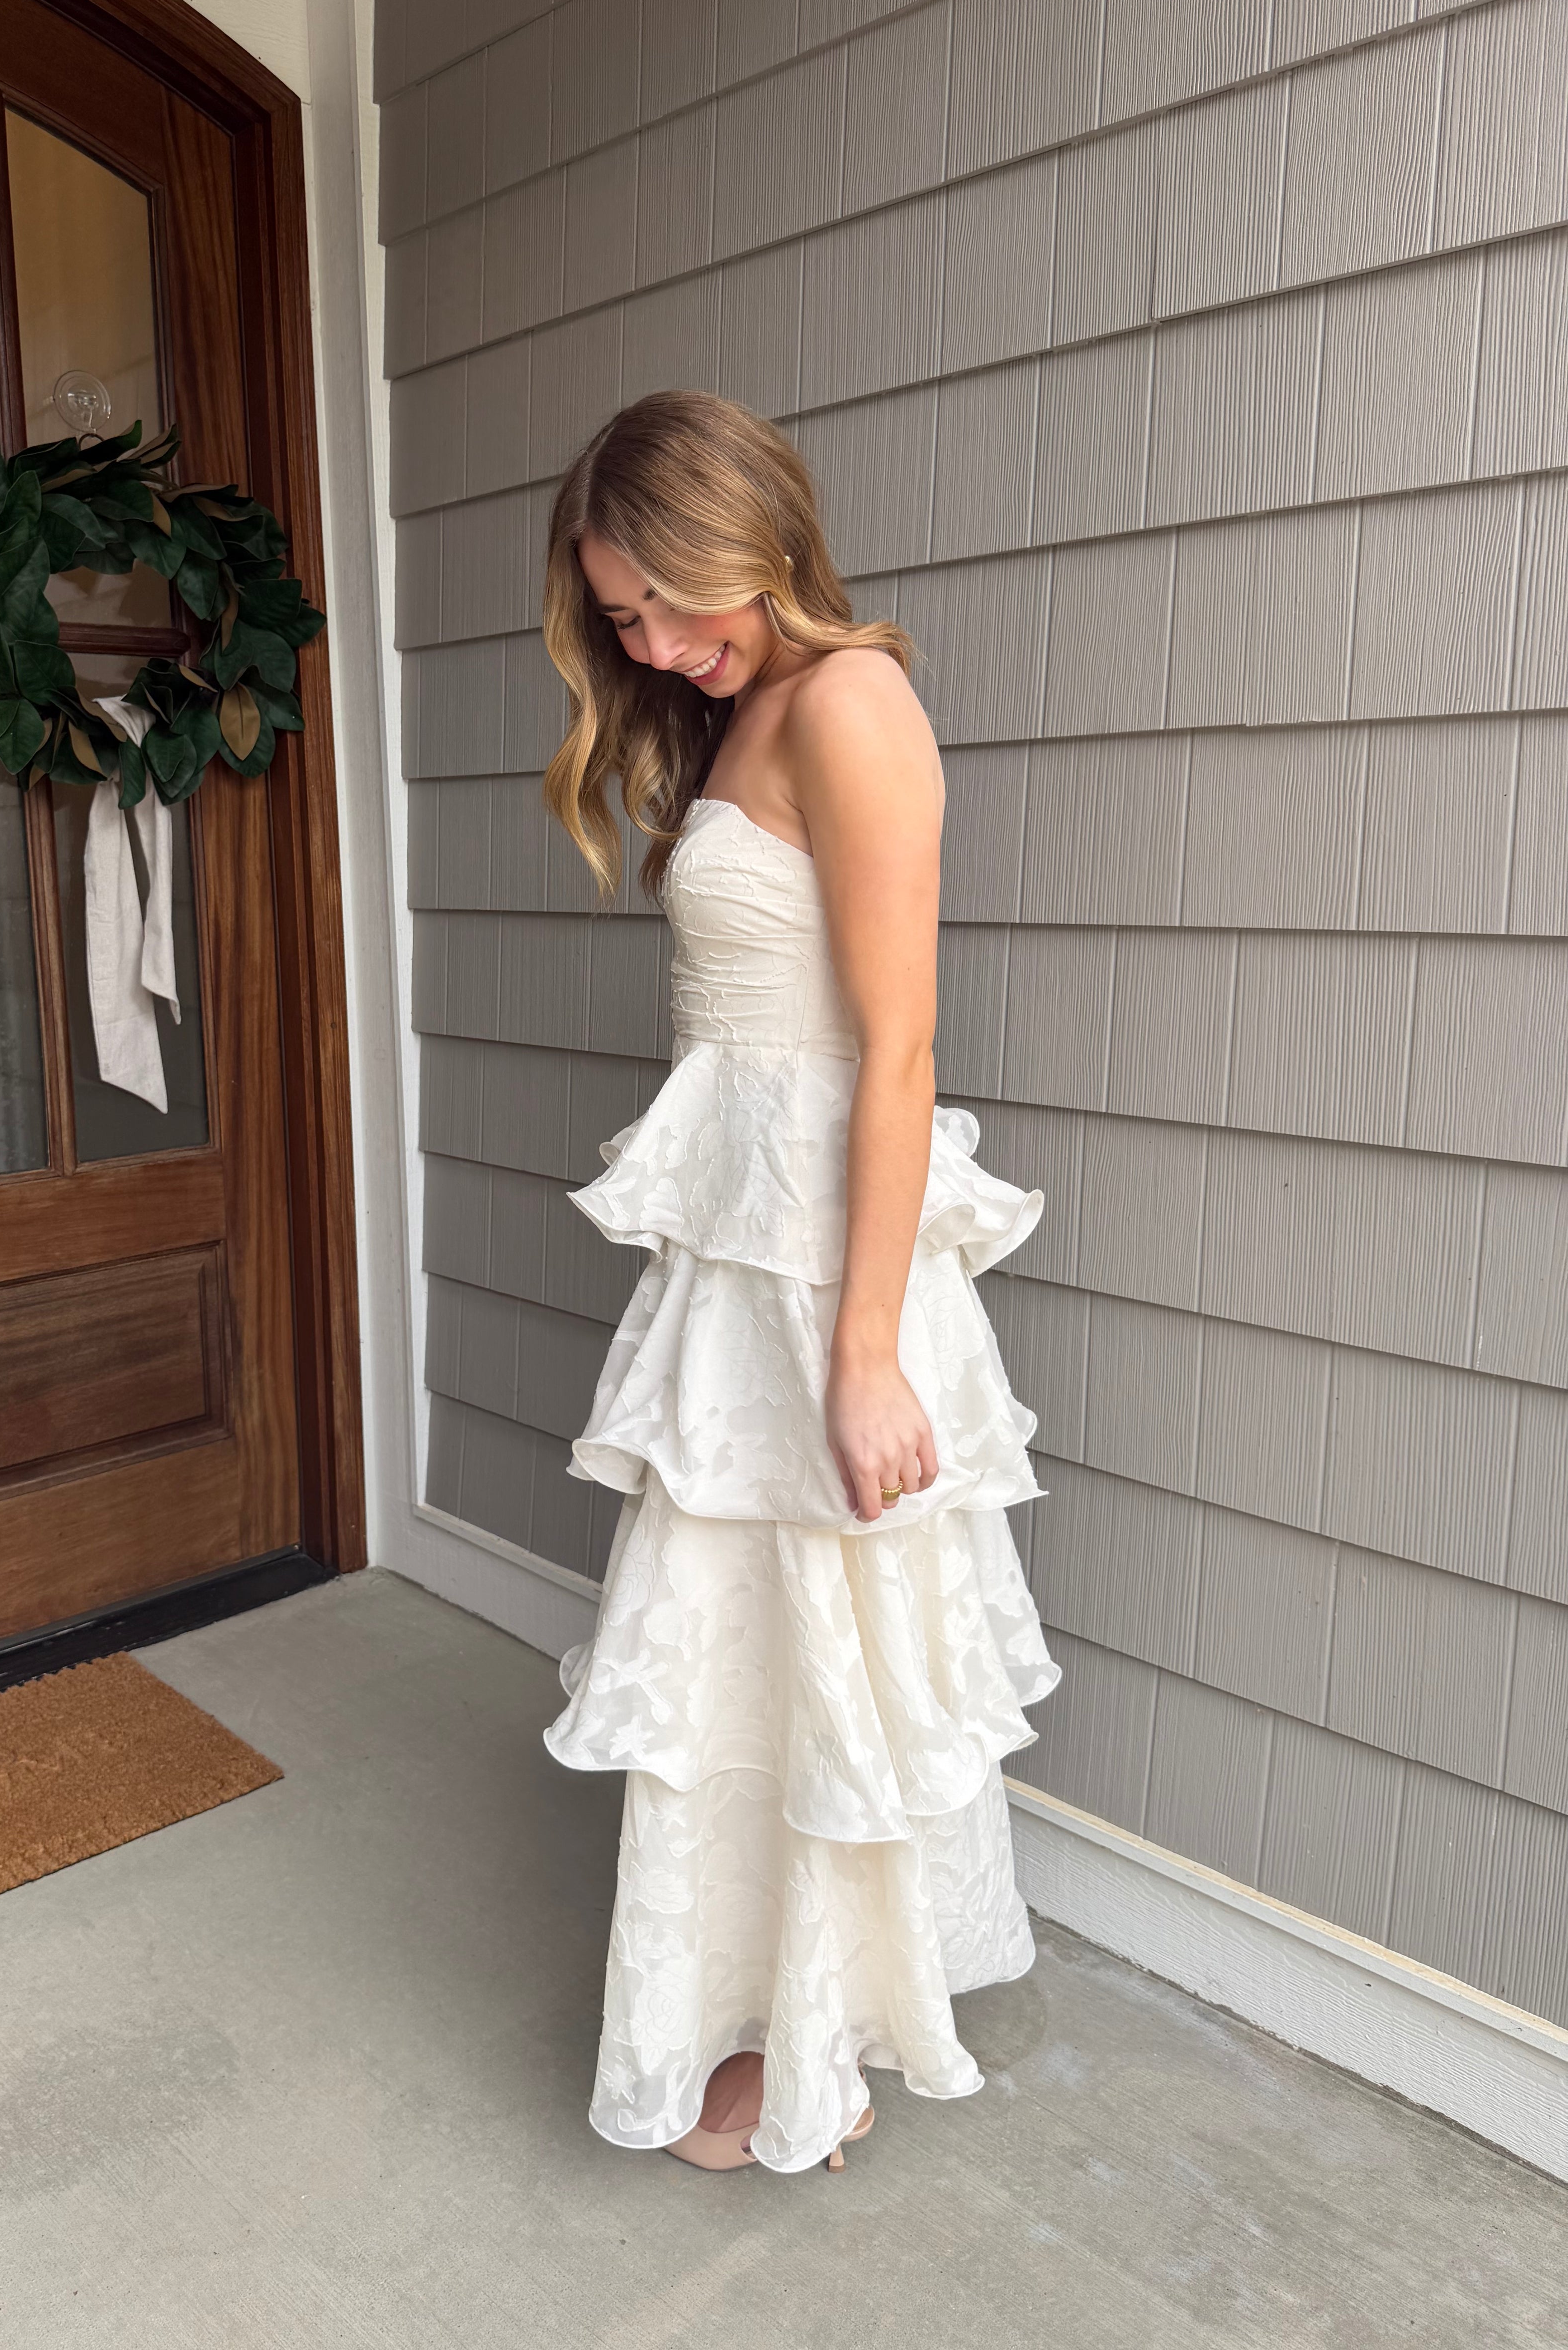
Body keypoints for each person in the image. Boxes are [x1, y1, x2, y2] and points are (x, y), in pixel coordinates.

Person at [539, 390, 1063, 2176]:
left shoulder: (851, 701)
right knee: (746, 1647)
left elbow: (899, 1051)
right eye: (620, 617)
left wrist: (865, 1352)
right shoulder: (745, 706)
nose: (655, 645)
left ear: (761, 538)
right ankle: (770, 2018)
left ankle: (814, 2051)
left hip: (828, 1261)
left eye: (676, 598)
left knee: (827, 1644)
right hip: (747, 1253)